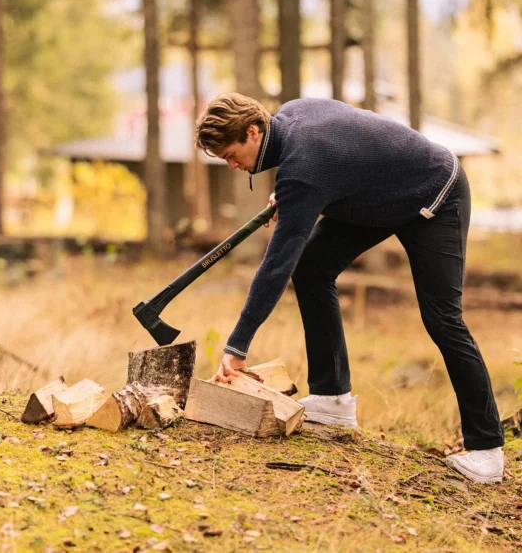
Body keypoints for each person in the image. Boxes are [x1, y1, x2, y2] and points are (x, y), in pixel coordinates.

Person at [194, 93, 505, 484]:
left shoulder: (303, 169)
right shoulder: (291, 118)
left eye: (230, 154)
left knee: (443, 319)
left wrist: (237, 346)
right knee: (311, 268)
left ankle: (487, 450)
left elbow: (275, 266)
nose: (232, 165)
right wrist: (294, 196)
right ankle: (332, 399)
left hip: (434, 195)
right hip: (381, 199)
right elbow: (342, 157)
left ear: (253, 131)